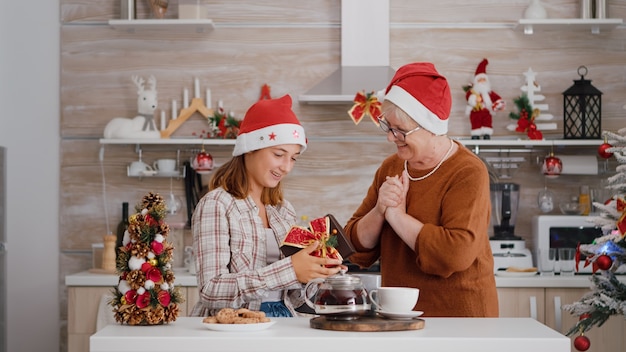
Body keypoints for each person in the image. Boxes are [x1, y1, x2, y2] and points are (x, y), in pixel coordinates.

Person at [344, 62, 498, 317]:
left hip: (460, 319)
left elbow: (455, 254)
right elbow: (353, 245)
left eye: (400, 131)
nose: (390, 138)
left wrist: (397, 217)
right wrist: (380, 211)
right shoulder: (391, 167)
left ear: (431, 128)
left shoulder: (468, 172)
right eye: (388, 126)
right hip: (399, 317)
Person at [190, 95, 344, 318]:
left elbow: (294, 297)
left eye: (293, 158)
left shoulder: (282, 210)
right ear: (250, 148)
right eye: (279, 154)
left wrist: (317, 272)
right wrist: (290, 269)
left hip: (283, 319)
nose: (287, 167)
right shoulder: (216, 205)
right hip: (233, 324)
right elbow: (211, 289)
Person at [464, 58, 505, 140]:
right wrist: (474, 100)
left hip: (486, 111)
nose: (482, 82)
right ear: (476, 82)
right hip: (476, 111)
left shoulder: (489, 92)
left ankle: (487, 134)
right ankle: (475, 135)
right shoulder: (473, 92)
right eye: (480, 80)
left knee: (487, 122)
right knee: (476, 122)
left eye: (483, 80)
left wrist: (499, 104)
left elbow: (497, 98)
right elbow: (468, 97)